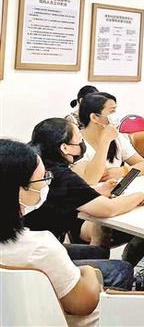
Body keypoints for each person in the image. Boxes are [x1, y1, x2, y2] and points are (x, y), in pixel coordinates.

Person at [24, 118, 144, 265]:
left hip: (29, 244)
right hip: (39, 254)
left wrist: (96, 190)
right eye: (79, 140)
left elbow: (67, 192)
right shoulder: (61, 175)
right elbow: (109, 209)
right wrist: (140, 197)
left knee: (99, 252)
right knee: (121, 268)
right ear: (65, 148)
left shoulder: (37, 165)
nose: (82, 143)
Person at [0, 138, 104, 326]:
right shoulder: (41, 247)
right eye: (43, 179)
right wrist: (88, 271)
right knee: (116, 271)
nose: (46, 185)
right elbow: (85, 304)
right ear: (19, 190)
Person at [74, 92, 144, 185]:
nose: (116, 116)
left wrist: (123, 171)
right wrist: (105, 141)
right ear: (94, 117)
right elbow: (88, 181)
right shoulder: (76, 143)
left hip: (116, 190)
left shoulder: (118, 138)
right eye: (112, 111)